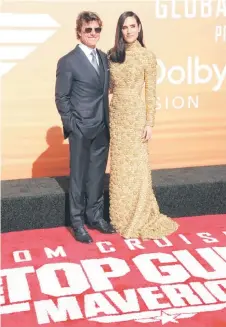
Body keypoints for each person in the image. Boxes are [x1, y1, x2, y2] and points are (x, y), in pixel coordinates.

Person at [108, 11, 179, 239]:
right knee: (119, 169)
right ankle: (120, 217)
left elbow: (151, 93)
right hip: (117, 117)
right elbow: (107, 88)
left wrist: (150, 123)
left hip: (136, 118)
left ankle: (139, 215)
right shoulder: (112, 56)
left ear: (139, 28)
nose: (128, 31)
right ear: (120, 30)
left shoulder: (148, 56)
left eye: (132, 26)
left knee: (137, 168)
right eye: (124, 27)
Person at [55, 11, 115, 244]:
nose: (93, 34)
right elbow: (61, 97)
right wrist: (72, 125)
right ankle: (78, 223)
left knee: (97, 177)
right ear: (79, 32)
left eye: (97, 29)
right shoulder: (68, 61)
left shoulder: (103, 58)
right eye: (88, 29)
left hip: (102, 127)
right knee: (79, 178)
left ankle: (95, 216)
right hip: (81, 129)